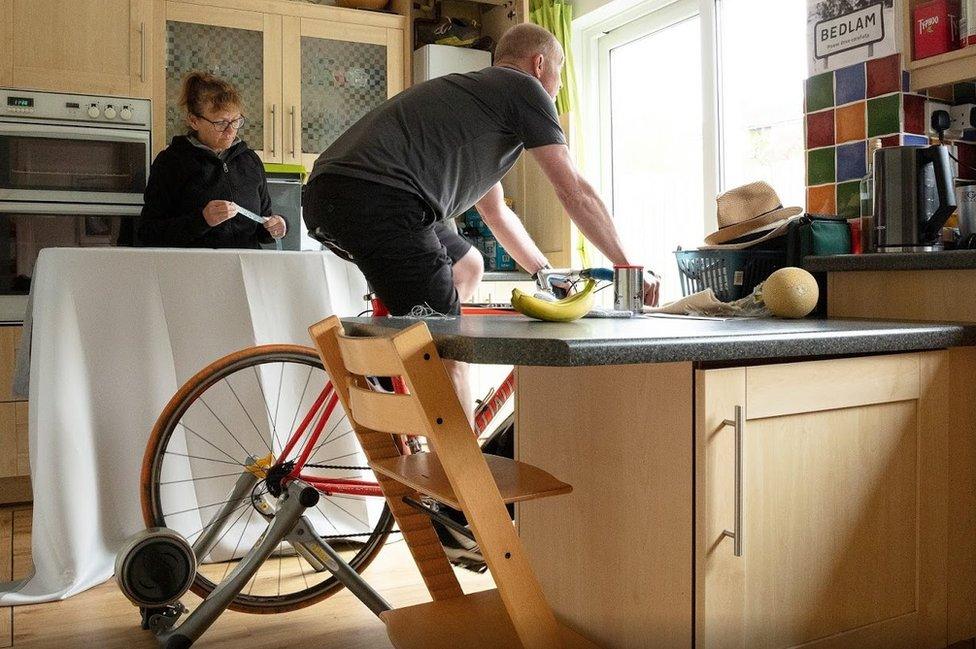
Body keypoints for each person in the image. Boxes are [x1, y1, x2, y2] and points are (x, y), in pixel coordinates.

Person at [303, 23, 659, 425]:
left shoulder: (479, 103)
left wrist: (543, 273)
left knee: (467, 264)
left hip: (337, 194)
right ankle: (460, 478)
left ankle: (408, 383)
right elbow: (574, 190)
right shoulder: (524, 89)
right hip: (379, 198)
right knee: (446, 349)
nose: (556, 90)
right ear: (540, 64)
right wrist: (628, 265)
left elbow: (496, 214)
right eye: (558, 76)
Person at [136, 71, 287, 248]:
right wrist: (202, 220)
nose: (231, 131)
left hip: (243, 268)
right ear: (194, 121)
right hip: (194, 271)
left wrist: (278, 226)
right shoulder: (171, 162)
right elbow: (148, 234)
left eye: (236, 121)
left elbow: (263, 226)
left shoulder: (250, 161)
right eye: (221, 123)